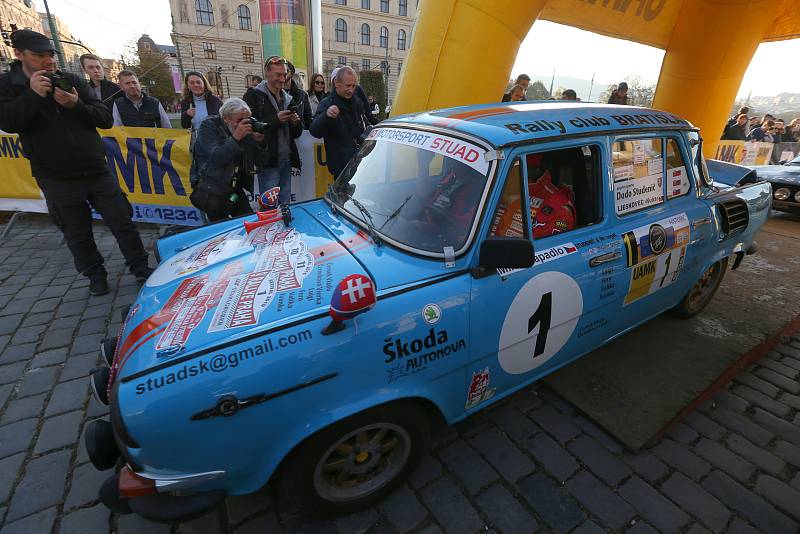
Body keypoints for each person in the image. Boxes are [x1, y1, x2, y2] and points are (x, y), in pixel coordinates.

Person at [0, 30, 152, 296]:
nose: (48, 61)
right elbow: (9, 122)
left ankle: (140, 268)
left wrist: (76, 104)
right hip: (55, 176)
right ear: (18, 54)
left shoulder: (70, 80)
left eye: (50, 55)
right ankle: (95, 275)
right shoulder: (8, 85)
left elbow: (104, 118)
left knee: (122, 221)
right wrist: (33, 96)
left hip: (95, 169)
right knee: (77, 232)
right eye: (39, 56)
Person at [189, 98, 266, 221]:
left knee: (248, 221)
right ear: (226, 118)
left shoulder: (243, 129)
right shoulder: (208, 126)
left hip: (234, 187)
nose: (244, 123)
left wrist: (259, 142)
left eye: (247, 119)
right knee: (220, 228)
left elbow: (258, 161)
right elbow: (217, 158)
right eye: (239, 120)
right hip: (212, 187)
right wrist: (236, 137)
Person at [243, 56, 302, 205]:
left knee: (284, 204)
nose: (283, 79)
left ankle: (282, 229)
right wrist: (276, 120)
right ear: (267, 73)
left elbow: (297, 133)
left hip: (286, 159)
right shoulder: (253, 95)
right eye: (278, 75)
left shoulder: (288, 98)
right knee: (269, 208)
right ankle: (269, 229)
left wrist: (295, 123)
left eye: (284, 75)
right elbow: (250, 126)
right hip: (268, 161)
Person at [310, 66, 368, 178]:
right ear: (337, 83)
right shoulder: (326, 104)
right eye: (348, 86)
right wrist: (326, 116)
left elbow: (362, 128)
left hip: (358, 164)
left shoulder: (357, 103)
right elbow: (314, 131)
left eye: (353, 86)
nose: (351, 89)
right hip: (341, 168)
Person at [285, 61, 313, 129]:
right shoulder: (275, 93)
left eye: (286, 71)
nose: (283, 73)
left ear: (291, 73)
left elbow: (308, 118)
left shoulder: (302, 95)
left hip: (299, 135)